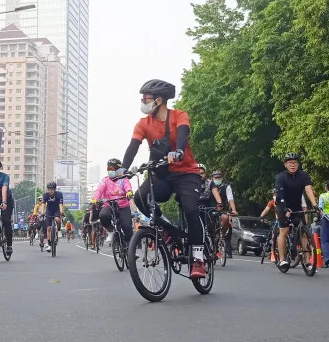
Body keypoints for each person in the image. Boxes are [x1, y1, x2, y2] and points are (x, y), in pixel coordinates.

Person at [117, 79, 207, 278]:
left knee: (192, 209)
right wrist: (123, 168)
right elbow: (133, 146)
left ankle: (198, 259)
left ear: (159, 100)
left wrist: (179, 151)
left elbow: (183, 134)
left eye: (145, 98)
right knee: (140, 197)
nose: (142, 102)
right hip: (162, 175)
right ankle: (169, 229)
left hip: (186, 173)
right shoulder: (143, 124)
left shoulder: (179, 116)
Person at [274, 152, 318, 269]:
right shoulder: (280, 177)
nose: (292, 165)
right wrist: (284, 209)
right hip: (283, 205)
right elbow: (281, 195)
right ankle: (282, 259)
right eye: (290, 162)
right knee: (284, 231)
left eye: (295, 162)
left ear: (298, 164)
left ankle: (307, 261)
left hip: (297, 206)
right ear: (285, 164)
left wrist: (315, 205)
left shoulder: (303, 175)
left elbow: (308, 190)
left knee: (304, 232)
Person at [94, 158, 139, 248]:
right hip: (109, 205)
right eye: (108, 169)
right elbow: (99, 191)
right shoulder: (105, 180)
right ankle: (111, 232)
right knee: (103, 216)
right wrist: (95, 199)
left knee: (127, 227)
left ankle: (130, 249)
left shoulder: (124, 179)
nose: (109, 171)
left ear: (118, 169)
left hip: (123, 206)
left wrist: (129, 193)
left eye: (112, 169)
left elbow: (128, 190)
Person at [210, 170, 238, 257]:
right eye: (215, 178)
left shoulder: (226, 187)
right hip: (210, 210)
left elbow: (230, 199)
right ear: (212, 178)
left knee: (226, 219)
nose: (217, 179)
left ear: (221, 178)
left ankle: (222, 234)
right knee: (210, 228)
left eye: (219, 178)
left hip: (223, 210)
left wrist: (234, 210)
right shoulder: (209, 185)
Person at [41, 181, 64, 252]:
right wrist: (42, 212)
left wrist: (61, 212)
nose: (50, 191)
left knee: (57, 219)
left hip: (56, 209)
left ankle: (59, 230)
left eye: (52, 189)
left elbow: (60, 204)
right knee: (48, 228)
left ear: (55, 189)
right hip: (49, 210)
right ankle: (49, 244)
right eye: (49, 189)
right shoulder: (45, 195)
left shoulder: (59, 194)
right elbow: (43, 204)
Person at [317, 181, 329, 268]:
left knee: (325, 241)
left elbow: (320, 209)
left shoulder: (323, 196)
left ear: (326, 187)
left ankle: (328, 260)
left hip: (326, 220)